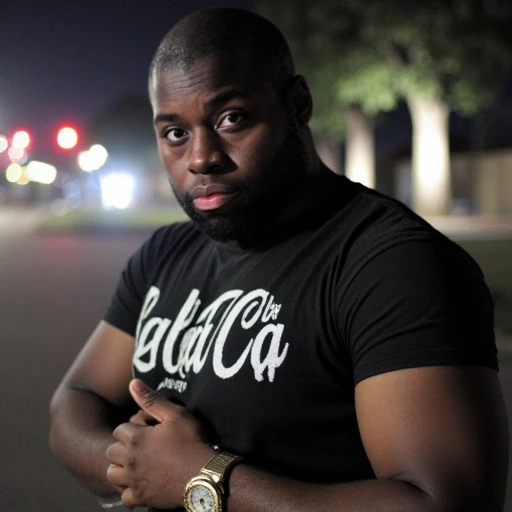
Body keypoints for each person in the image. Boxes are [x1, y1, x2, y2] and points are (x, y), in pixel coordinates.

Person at [49, 7, 509, 512]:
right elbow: (75, 399)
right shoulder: (165, 253)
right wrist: (133, 465)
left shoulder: (394, 265)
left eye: (232, 118)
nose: (202, 157)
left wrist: (203, 480)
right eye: (175, 133)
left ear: (298, 102)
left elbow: (441, 502)